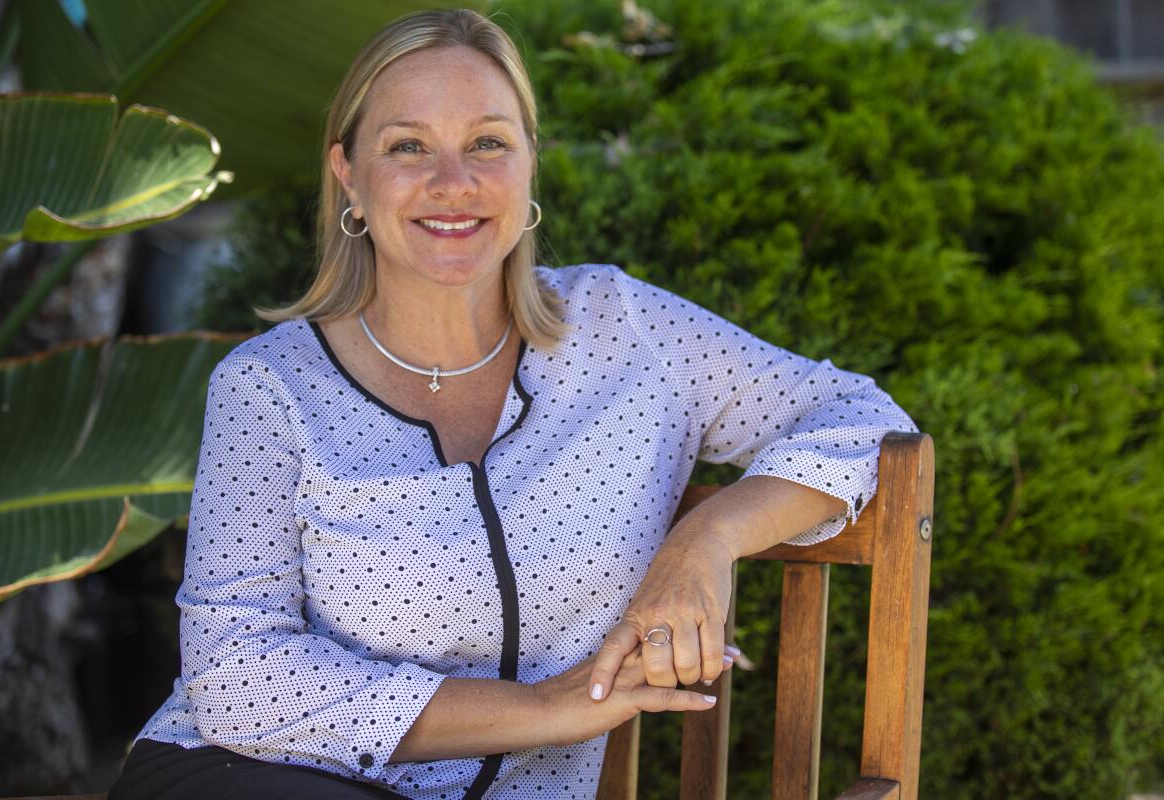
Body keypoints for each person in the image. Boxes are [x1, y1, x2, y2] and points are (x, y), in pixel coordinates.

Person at [107, 8, 918, 800]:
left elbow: (866, 419)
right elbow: (232, 675)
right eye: (407, 146)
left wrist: (707, 539)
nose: (452, 183)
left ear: (531, 163)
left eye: (487, 143)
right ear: (349, 174)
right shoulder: (268, 387)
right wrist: (543, 708)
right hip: (254, 777)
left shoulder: (628, 332)